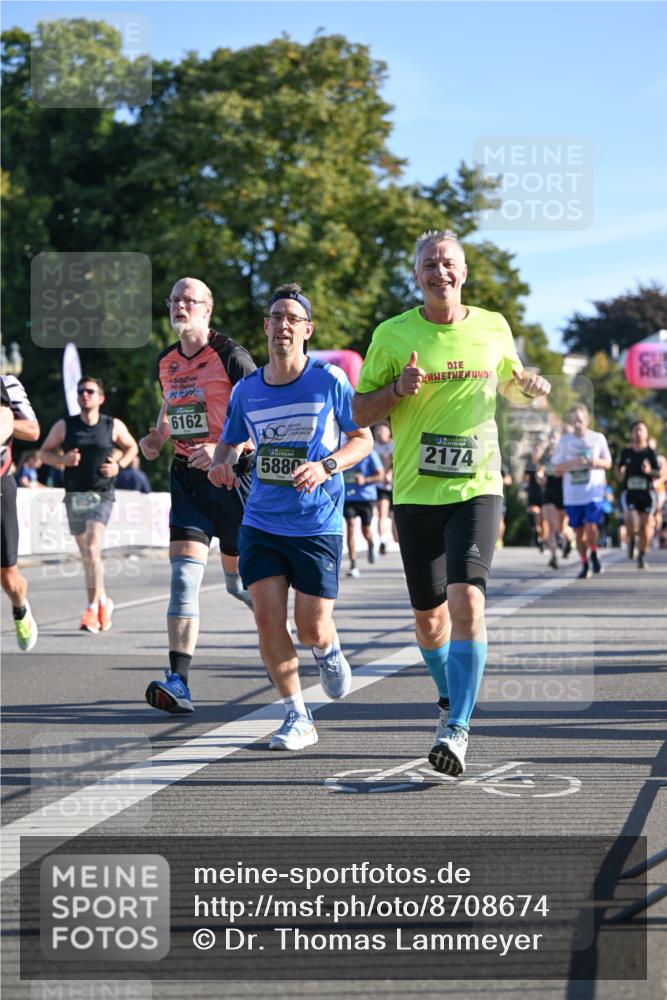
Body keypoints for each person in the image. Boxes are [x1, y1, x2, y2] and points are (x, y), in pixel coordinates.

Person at [352, 229, 550, 777]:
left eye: (449, 263)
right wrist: (397, 389)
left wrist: (531, 385)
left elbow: (509, 383)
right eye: (429, 264)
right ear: (416, 275)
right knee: (430, 621)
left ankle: (457, 728)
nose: (440, 271)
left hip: (477, 485)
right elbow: (360, 413)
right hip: (416, 492)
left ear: (464, 272)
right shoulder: (392, 334)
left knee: (468, 601)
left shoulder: (493, 326)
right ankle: (449, 697)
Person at [209, 282, 373, 750]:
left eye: (292, 318)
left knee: (310, 626)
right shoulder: (247, 390)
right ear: (265, 327)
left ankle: (328, 649)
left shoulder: (329, 381)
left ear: (307, 329)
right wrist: (222, 462)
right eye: (275, 316)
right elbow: (231, 442)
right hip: (261, 519)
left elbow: (362, 440)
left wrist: (325, 467)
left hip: (316, 521)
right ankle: (297, 716)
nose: (283, 325)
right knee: (266, 619)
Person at [140, 276, 257, 714]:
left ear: (208, 310)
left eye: (190, 300)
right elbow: (172, 405)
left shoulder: (231, 357)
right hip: (188, 480)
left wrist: (226, 449)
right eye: (174, 300)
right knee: (183, 580)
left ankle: (283, 637)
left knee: (241, 586)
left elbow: (265, 419)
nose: (180, 306)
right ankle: (179, 680)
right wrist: (156, 438)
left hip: (233, 482)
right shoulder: (166, 360)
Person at [39, 376, 138, 632]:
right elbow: (43, 453)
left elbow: (131, 447)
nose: (85, 395)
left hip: (101, 492)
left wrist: (119, 465)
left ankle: (93, 608)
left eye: (90, 391)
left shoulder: (112, 425)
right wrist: (63, 460)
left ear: (100, 398)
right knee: (88, 555)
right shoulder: (65, 426)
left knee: (93, 546)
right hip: (74, 495)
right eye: (81, 391)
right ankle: (103, 599)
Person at [1, 374, 40, 651]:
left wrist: (4, 423)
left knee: (9, 579)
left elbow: (33, 430)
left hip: (1, 483)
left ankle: (19, 608)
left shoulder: (7, 384)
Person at [552, 404, 612, 579]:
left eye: (580, 420)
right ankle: (585, 562)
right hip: (573, 495)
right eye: (574, 421)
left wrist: (595, 462)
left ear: (587, 420)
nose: (577, 424)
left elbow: (608, 463)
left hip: (593, 492)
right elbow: (556, 470)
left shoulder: (597, 438)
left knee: (591, 525)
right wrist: (573, 463)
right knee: (578, 532)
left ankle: (594, 552)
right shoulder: (564, 442)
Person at [618, 421, 661, 569]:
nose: (638, 433)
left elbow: (659, 472)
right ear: (632, 433)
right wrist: (621, 473)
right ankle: (630, 539)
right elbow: (618, 472)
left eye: (641, 430)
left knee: (646, 525)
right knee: (631, 520)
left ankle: (642, 554)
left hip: (647, 494)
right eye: (636, 430)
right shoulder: (626, 452)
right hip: (630, 493)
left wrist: (649, 471)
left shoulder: (650, 453)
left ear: (646, 433)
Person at [343, 447, 384, 577]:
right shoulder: (344, 451)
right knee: (350, 525)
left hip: (366, 498)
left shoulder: (371, 453)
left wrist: (365, 480)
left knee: (366, 530)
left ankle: (371, 543)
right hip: (348, 497)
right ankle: (353, 564)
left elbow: (380, 475)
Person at [537, 428, 574, 569]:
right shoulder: (545, 456)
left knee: (562, 527)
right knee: (551, 527)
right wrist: (540, 477)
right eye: (551, 437)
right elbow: (539, 472)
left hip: (564, 493)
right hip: (548, 493)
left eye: (555, 437)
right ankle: (553, 557)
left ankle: (569, 540)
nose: (553, 440)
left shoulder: (566, 454)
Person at [372, 422, 398, 554]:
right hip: (380, 485)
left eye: (382, 430)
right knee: (382, 512)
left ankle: (398, 539)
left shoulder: (394, 443)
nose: (379, 433)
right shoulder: (373, 447)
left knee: (394, 515)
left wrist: (388, 473)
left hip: (395, 484)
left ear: (389, 432)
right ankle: (382, 540)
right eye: (377, 431)